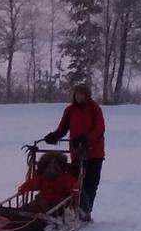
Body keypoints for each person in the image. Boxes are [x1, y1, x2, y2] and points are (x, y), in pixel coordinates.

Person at [44, 84, 105, 221]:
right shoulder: (70, 110)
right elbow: (63, 128)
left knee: (90, 182)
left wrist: (86, 139)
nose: (79, 97)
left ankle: (86, 211)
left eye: (82, 94)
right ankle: (73, 208)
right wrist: (54, 136)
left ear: (87, 95)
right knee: (75, 182)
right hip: (77, 153)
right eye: (77, 94)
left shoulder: (95, 109)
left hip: (94, 153)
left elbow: (99, 129)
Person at [13, 152, 79, 214]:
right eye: (50, 166)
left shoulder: (65, 177)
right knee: (37, 201)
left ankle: (29, 213)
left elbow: (71, 183)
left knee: (38, 200)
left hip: (58, 203)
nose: (53, 169)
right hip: (44, 201)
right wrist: (24, 187)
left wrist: (74, 189)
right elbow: (33, 183)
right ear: (45, 167)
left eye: (57, 166)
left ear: (62, 167)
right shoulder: (41, 177)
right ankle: (25, 213)